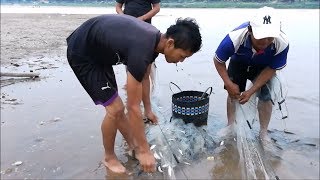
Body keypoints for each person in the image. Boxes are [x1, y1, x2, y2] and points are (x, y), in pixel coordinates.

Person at [66, 14, 202, 173]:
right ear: (171, 43)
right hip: (83, 53)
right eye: (182, 56)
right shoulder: (141, 50)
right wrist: (145, 151)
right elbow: (133, 107)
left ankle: (134, 146)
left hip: (100, 52)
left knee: (116, 105)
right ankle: (109, 157)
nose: (181, 61)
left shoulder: (155, 41)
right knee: (115, 109)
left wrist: (149, 109)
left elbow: (144, 77)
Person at [213, 7, 289, 142]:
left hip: (263, 67)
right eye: (261, 38)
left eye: (270, 38)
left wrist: (252, 91)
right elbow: (218, 61)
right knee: (233, 93)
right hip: (239, 63)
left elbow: (272, 68)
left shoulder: (281, 43)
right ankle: (231, 126)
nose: (265, 42)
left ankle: (263, 133)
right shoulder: (234, 38)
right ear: (250, 31)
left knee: (266, 95)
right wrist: (229, 83)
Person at [115, 0, 161, 121]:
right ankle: (133, 109)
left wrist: (141, 18)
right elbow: (118, 7)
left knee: (145, 73)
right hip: (127, 30)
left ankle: (148, 110)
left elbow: (156, 8)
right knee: (130, 71)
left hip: (146, 31)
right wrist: (123, 17)